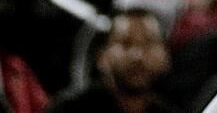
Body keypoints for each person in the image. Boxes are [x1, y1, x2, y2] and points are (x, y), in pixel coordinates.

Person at [46, 9, 178, 113]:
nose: (138, 55)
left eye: (148, 43)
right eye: (126, 44)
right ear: (103, 57)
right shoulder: (68, 109)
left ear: (165, 57)